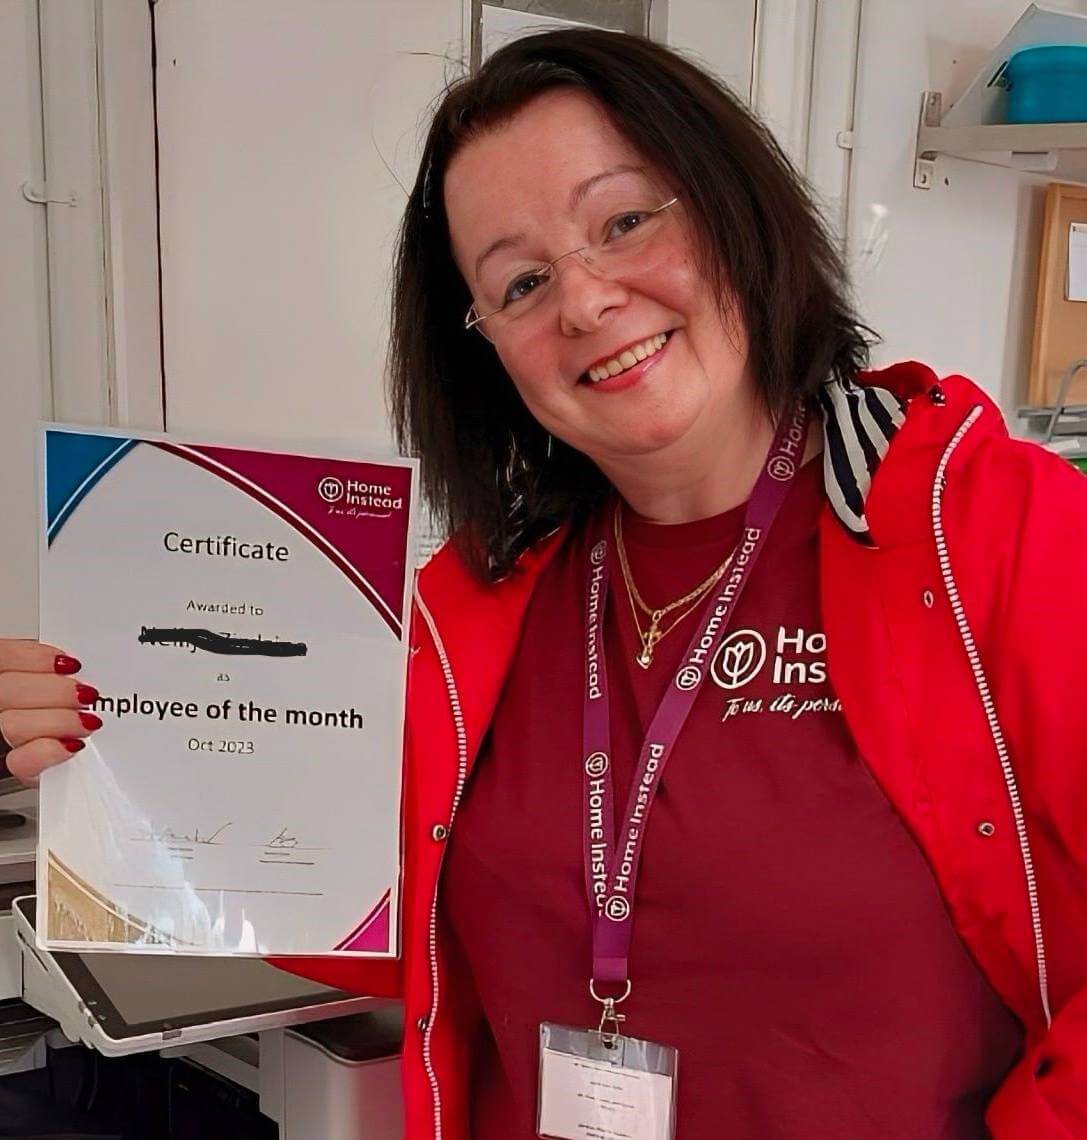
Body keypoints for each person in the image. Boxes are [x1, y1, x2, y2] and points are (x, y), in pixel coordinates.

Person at [2, 28, 1086, 1140]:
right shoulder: (475, 601)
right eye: (519, 282)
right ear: (488, 350)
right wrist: (113, 753)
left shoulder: (993, 538)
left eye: (624, 220)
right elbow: (371, 910)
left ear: (730, 206)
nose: (583, 300)